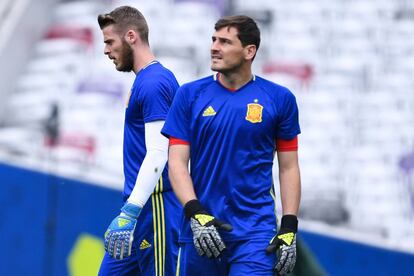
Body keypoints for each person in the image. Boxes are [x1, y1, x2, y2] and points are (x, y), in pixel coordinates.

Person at [162, 15, 301, 275]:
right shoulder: (189, 95)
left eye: (225, 42)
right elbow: (177, 163)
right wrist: (195, 212)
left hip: (255, 233)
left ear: (249, 51)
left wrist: (290, 225)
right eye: (214, 40)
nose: (214, 47)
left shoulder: (280, 99)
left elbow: (289, 167)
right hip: (201, 227)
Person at [97, 6, 180, 276]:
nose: (106, 50)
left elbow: (159, 152)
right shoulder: (146, 80)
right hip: (140, 208)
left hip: (155, 207)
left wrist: (130, 211)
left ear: (131, 36)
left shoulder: (154, 83)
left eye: (110, 41)